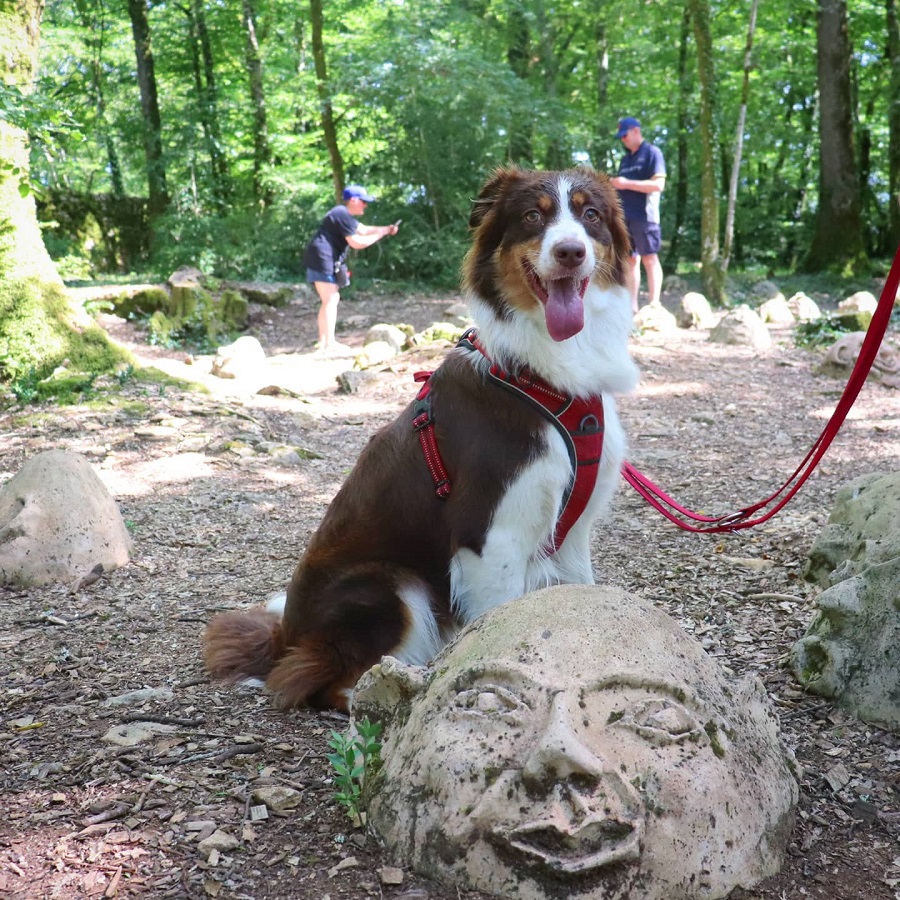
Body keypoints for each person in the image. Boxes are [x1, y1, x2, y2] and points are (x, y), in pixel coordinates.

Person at [303, 184, 399, 356]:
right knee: (331, 299)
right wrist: (379, 235)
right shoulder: (341, 213)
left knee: (330, 300)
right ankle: (327, 344)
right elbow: (357, 242)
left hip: (323, 258)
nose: (365, 205)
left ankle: (325, 342)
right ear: (353, 200)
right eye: (363, 201)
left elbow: (363, 229)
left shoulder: (343, 214)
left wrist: (385, 229)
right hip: (322, 258)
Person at [610, 116, 666, 314]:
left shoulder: (652, 153)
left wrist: (625, 183)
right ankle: (632, 307)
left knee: (650, 258)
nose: (623, 139)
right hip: (625, 217)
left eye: (625, 135)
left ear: (635, 131)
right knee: (630, 260)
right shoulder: (626, 159)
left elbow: (658, 185)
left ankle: (654, 304)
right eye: (621, 137)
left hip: (645, 215)